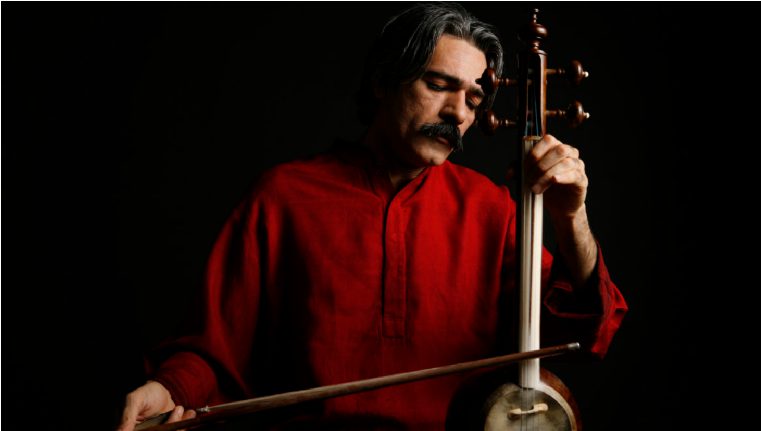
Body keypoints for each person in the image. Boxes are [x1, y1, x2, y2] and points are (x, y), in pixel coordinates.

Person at [117, 3, 627, 430]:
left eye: (473, 98)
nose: (458, 112)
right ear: (384, 81)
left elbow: (582, 331)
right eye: (438, 84)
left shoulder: (492, 208)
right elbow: (212, 349)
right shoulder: (283, 197)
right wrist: (168, 389)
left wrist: (571, 218)